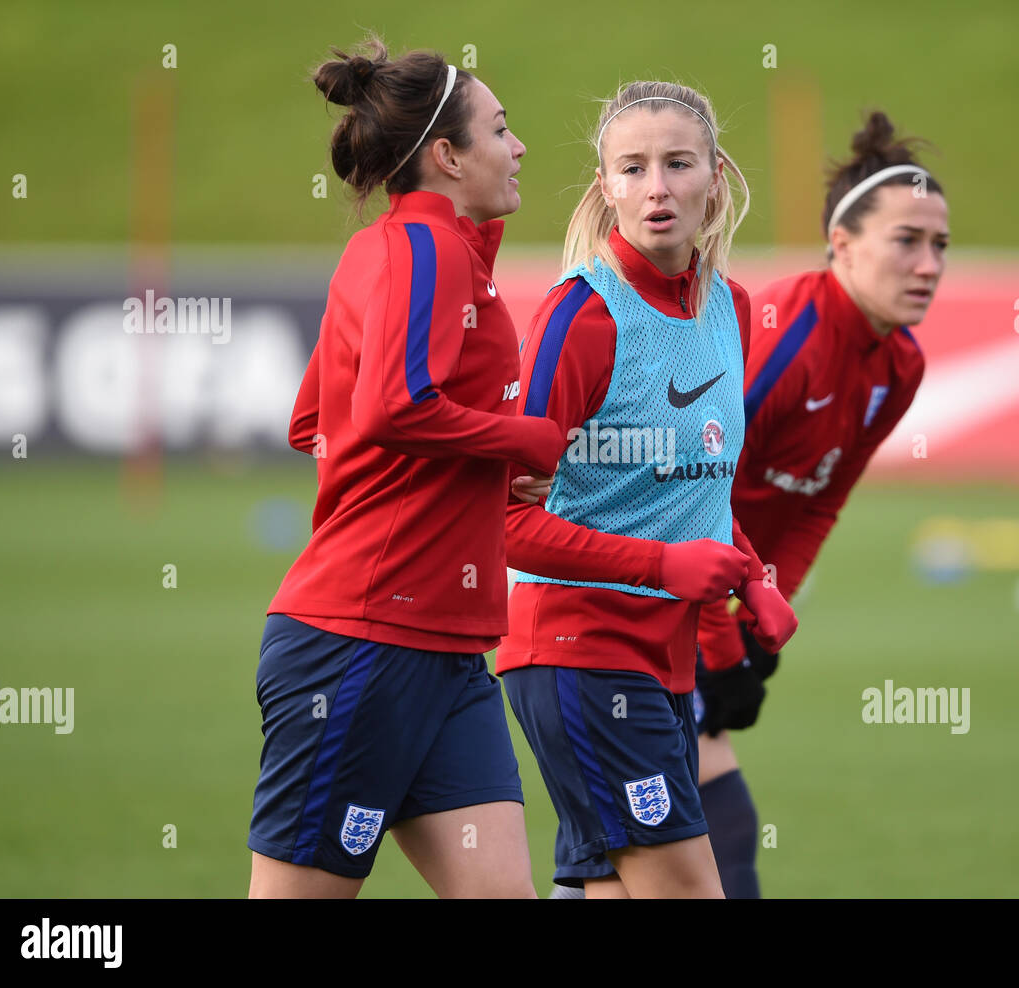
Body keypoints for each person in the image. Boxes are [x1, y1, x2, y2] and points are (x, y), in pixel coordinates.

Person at [247, 37, 566, 898]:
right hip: (362, 643)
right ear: (447, 155)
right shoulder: (418, 250)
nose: (520, 145)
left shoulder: (427, 253)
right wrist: (519, 442)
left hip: (450, 650)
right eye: (502, 129)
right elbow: (392, 409)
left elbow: (317, 422)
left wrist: (481, 474)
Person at [497, 81, 798, 899]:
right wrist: (664, 568)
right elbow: (502, 527)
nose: (656, 187)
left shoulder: (729, 308)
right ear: (606, 188)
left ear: (717, 176)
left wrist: (752, 574)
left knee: (610, 891)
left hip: (664, 664)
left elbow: (697, 483)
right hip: (575, 651)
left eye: (677, 163)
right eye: (632, 168)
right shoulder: (583, 319)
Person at [693, 110, 949, 897]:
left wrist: (765, 617)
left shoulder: (899, 367)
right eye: (906, 240)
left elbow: (816, 505)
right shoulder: (788, 338)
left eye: (940, 244)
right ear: (842, 244)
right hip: (638, 591)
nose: (929, 264)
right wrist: (723, 645)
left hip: (705, 600)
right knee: (703, 843)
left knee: (660, 847)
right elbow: (687, 495)